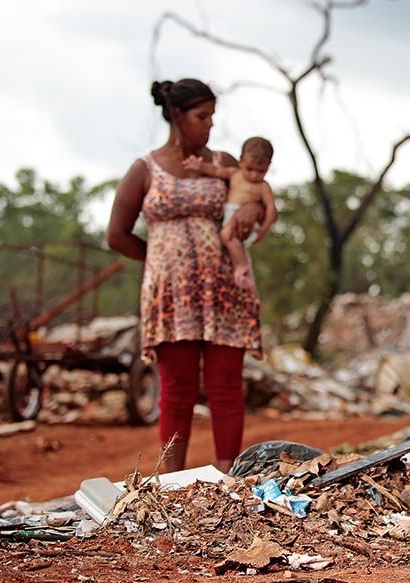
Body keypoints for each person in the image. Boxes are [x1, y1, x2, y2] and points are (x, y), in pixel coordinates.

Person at [107, 79, 263, 474]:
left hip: (224, 291)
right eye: (202, 116)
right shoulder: (145, 170)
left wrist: (250, 212)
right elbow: (117, 234)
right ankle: (171, 483)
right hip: (171, 296)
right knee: (176, 391)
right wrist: (159, 262)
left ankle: (228, 479)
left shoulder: (224, 163)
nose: (210, 125)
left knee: (225, 388)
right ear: (177, 116)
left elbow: (256, 195)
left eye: (213, 116)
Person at [183, 136, 277, 290]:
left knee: (226, 235)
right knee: (228, 237)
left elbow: (271, 209)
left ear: (268, 166)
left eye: (261, 171)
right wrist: (200, 166)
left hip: (241, 219)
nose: (254, 175)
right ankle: (239, 267)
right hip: (230, 213)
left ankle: (241, 267)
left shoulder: (263, 187)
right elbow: (216, 170)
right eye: (250, 169)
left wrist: (263, 229)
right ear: (241, 161)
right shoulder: (235, 174)